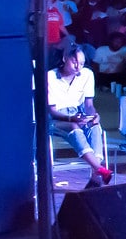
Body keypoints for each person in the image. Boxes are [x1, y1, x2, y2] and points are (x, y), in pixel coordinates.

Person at [47, 46, 112, 188]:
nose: (78, 66)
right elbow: (51, 111)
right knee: (73, 126)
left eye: (81, 63)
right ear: (65, 59)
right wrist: (71, 119)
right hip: (57, 118)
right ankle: (99, 168)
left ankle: (96, 176)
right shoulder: (50, 76)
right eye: (74, 61)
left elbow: (89, 104)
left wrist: (93, 115)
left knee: (94, 125)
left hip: (77, 113)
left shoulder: (87, 74)